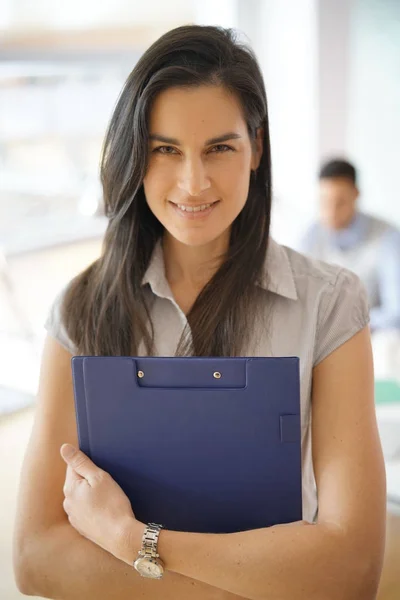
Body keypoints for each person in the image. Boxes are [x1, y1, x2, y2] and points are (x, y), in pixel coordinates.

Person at [13, 25, 385, 600]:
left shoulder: (330, 303)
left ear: (256, 148)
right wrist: (259, 582)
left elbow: (353, 569)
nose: (193, 182)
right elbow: (36, 559)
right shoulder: (81, 309)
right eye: (166, 149)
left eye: (220, 147)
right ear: (136, 155)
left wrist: (130, 539)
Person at [300, 158, 400, 331]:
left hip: (372, 337)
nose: (331, 212)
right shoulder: (311, 235)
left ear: (356, 194)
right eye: (324, 202)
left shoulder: (387, 238)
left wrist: (348, 327)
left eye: (340, 202)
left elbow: (395, 312)